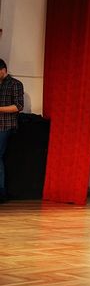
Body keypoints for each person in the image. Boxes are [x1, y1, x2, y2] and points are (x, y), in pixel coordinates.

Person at [0, 59, 25, 202]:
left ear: (3, 70)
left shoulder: (15, 84)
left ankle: (2, 192)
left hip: (5, 125)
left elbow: (18, 106)